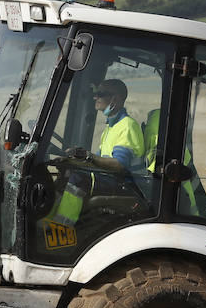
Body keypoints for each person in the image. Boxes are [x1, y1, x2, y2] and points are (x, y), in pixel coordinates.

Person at [51, 79, 144, 228]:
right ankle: (53, 222)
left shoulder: (127, 126)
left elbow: (119, 164)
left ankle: (62, 228)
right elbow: (97, 161)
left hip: (121, 183)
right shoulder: (111, 127)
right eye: (95, 93)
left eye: (101, 94)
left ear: (116, 98)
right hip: (109, 178)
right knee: (67, 172)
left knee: (79, 177)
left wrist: (88, 156)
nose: (95, 97)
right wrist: (71, 161)